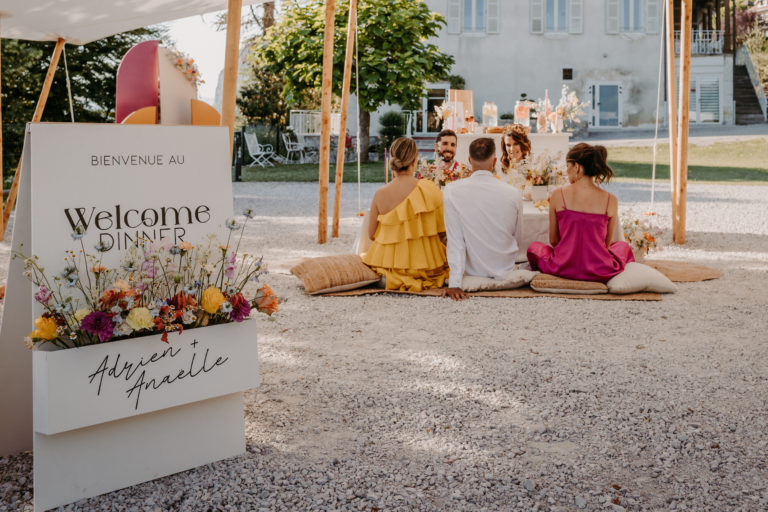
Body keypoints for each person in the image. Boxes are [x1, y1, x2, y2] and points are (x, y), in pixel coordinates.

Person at [527, 143, 634, 282]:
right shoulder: (611, 200)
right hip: (599, 269)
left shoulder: (557, 195)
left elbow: (553, 240)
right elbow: (606, 244)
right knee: (622, 246)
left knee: (534, 247)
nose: (566, 171)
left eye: (567, 166)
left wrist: (568, 251)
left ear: (576, 167)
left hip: (563, 267)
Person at [361, 137, 450, 291]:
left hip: (389, 266)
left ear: (392, 162)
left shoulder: (380, 193)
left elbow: (371, 234)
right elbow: (443, 232)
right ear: (414, 161)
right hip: (427, 267)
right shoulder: (428, 189)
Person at [442, 137, 523, 301]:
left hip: (472, 271)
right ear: (494, 162)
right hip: (504, 269)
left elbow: (455, 240)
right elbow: (517, 237)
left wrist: (455, 283)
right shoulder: (513, 193)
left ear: (470, 161)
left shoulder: (451, 190)